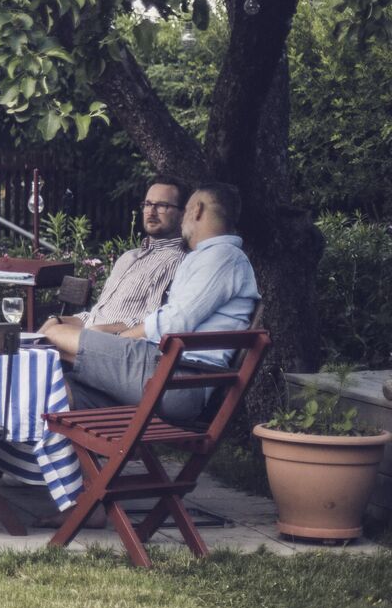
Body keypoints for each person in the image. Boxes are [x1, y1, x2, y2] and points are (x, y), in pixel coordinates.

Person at [40, 183, 260, 424]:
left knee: (54, 335)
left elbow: (174, 321)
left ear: (196, 210)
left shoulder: (222, 257)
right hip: (166, 376)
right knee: (58, 389)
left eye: (184, 210)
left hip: (179, 381)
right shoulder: (211, 258)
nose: (184, 218)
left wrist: (119, 340)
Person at [53, 176, 191, 333]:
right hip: (91, 336)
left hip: (117, 344)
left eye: (162, 206)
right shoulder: (128, 257)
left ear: (182, 214)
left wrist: (99, 331)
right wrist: (58, 320)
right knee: (47, 330)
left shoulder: (176, 261)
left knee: (48, 337)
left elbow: (151, 322)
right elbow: (96, 315)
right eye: (147, 204)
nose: (151, 212)